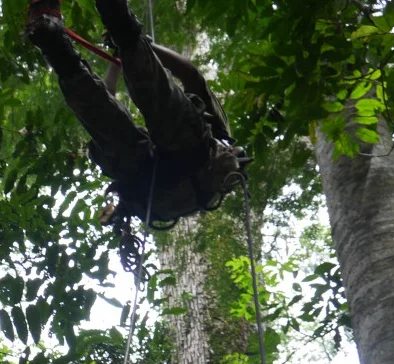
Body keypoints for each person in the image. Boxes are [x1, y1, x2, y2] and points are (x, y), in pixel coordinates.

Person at [27, 0, 246, 232]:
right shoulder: (217, 134)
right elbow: (188, 77)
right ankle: (59, 43)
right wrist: (128, 45)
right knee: (148, 113)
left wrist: (131, 45)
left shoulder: (218, 135)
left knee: (160, 107)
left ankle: (67, 35)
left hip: (163, 180)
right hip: (159, 186)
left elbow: (189, 76)